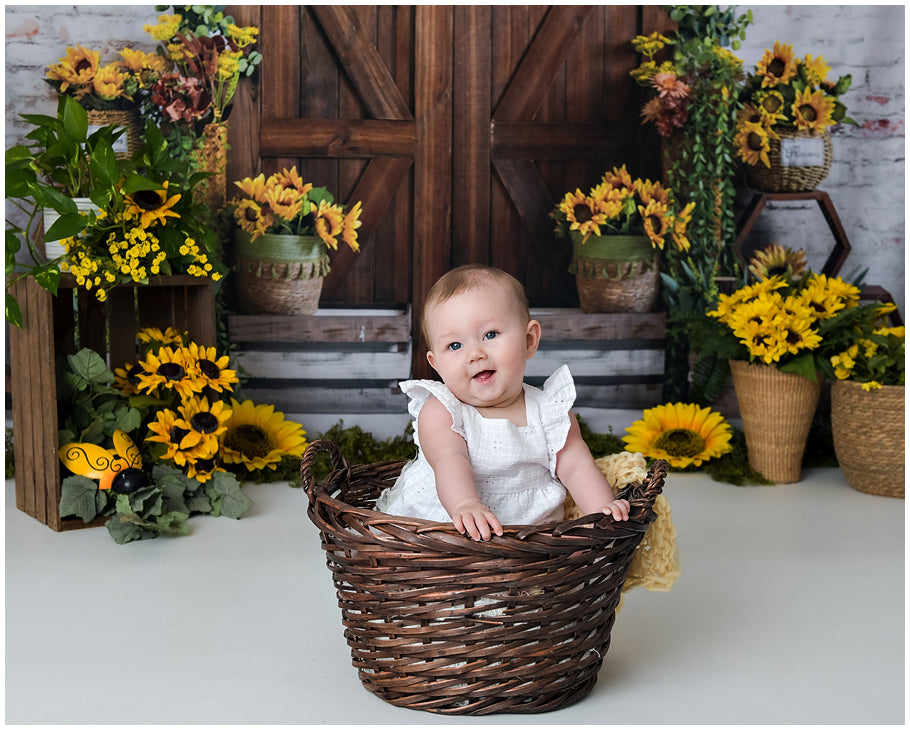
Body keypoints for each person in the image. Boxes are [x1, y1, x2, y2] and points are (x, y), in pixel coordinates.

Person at [375, 264, 630, 540]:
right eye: (455, 346)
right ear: (436, 365)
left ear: (529, 340)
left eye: (490, 335)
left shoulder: (549, 412)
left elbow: (577, 467)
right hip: (447, 526)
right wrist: (465, 503)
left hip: (532, 536)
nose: (475, 354)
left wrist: (602, 509)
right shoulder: (443, 411)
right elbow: (449, 459)